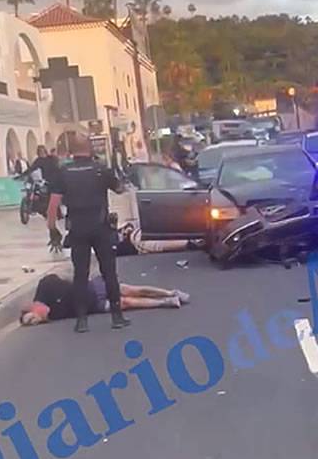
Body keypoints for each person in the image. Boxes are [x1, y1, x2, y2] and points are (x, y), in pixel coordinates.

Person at [47, 133, 130, 333]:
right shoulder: (100, 170)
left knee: (80, 275)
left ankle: (82, 320)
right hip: (101, 227)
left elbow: (52, 206)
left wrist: (53, 230)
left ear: (71, 151)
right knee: (109, 272)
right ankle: (117, 317)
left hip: (77, 230)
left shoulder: (63, 172)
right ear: (90, 148)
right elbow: (120, 188)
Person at [19, 274, 190, 326]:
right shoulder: (54, 316)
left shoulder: (45, 286)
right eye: (33, 322)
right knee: (127, 302)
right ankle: (166, 302)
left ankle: (169, 292)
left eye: (32, 317)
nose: (36, 320)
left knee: (131, 289)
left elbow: (65, 277)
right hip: (95, 305)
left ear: (32, 307)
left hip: (93, 287)